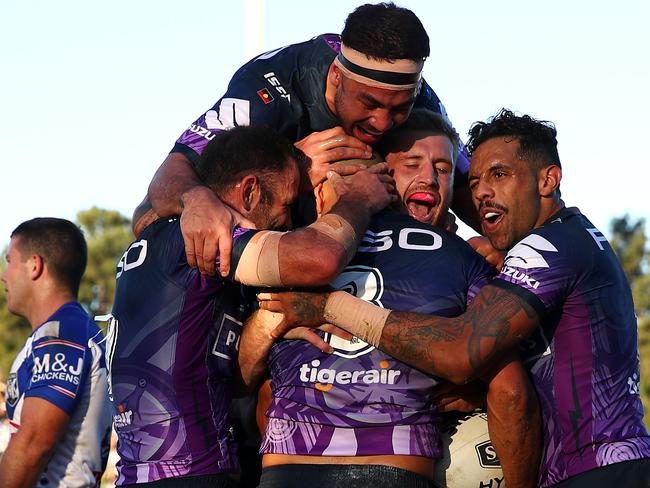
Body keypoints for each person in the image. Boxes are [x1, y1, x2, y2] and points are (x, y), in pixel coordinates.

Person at [260, 109, 650, 487]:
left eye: (500, 174)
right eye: (476, 179)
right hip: (605, 461)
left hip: (595, 467)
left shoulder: (546, 247)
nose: (480, 191)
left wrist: (331, 306)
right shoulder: (565, 239)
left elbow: (463, 351)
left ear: (548, 180)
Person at [241, 110, 540, 488]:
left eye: (444, 168)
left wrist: (273, 318)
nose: (430, 178)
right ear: (381, 177)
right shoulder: (463, 259)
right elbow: (511, 391)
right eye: (412, 163)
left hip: (284, 471)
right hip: (394, 468)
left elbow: (246, 386)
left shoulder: (292, 256)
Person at [107, 125, 394, 486]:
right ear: (248, 191)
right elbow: (320, 256)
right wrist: (360, 200)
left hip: (149, 475)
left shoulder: (167, 244)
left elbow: (228, 381)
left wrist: (271, 321)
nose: (290, 222)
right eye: (287, 205)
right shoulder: (203, 236)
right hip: (191, 475)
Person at [136, 2, 476, 278]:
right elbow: (167, 180)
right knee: (159, 216)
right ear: (337, 76)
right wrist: (286, 171)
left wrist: (494, 249)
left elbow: (471, 190)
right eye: (369, 104)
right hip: (278, 245)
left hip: (357, 253)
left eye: (400, 109)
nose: (382, 122)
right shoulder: (269, 86)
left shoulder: (424, 99)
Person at [0, 218, 112, 487]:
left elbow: (33, 444)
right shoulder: (61, 330)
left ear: (35, 265)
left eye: (9, 261)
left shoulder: (64, 334)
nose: (4, 275)